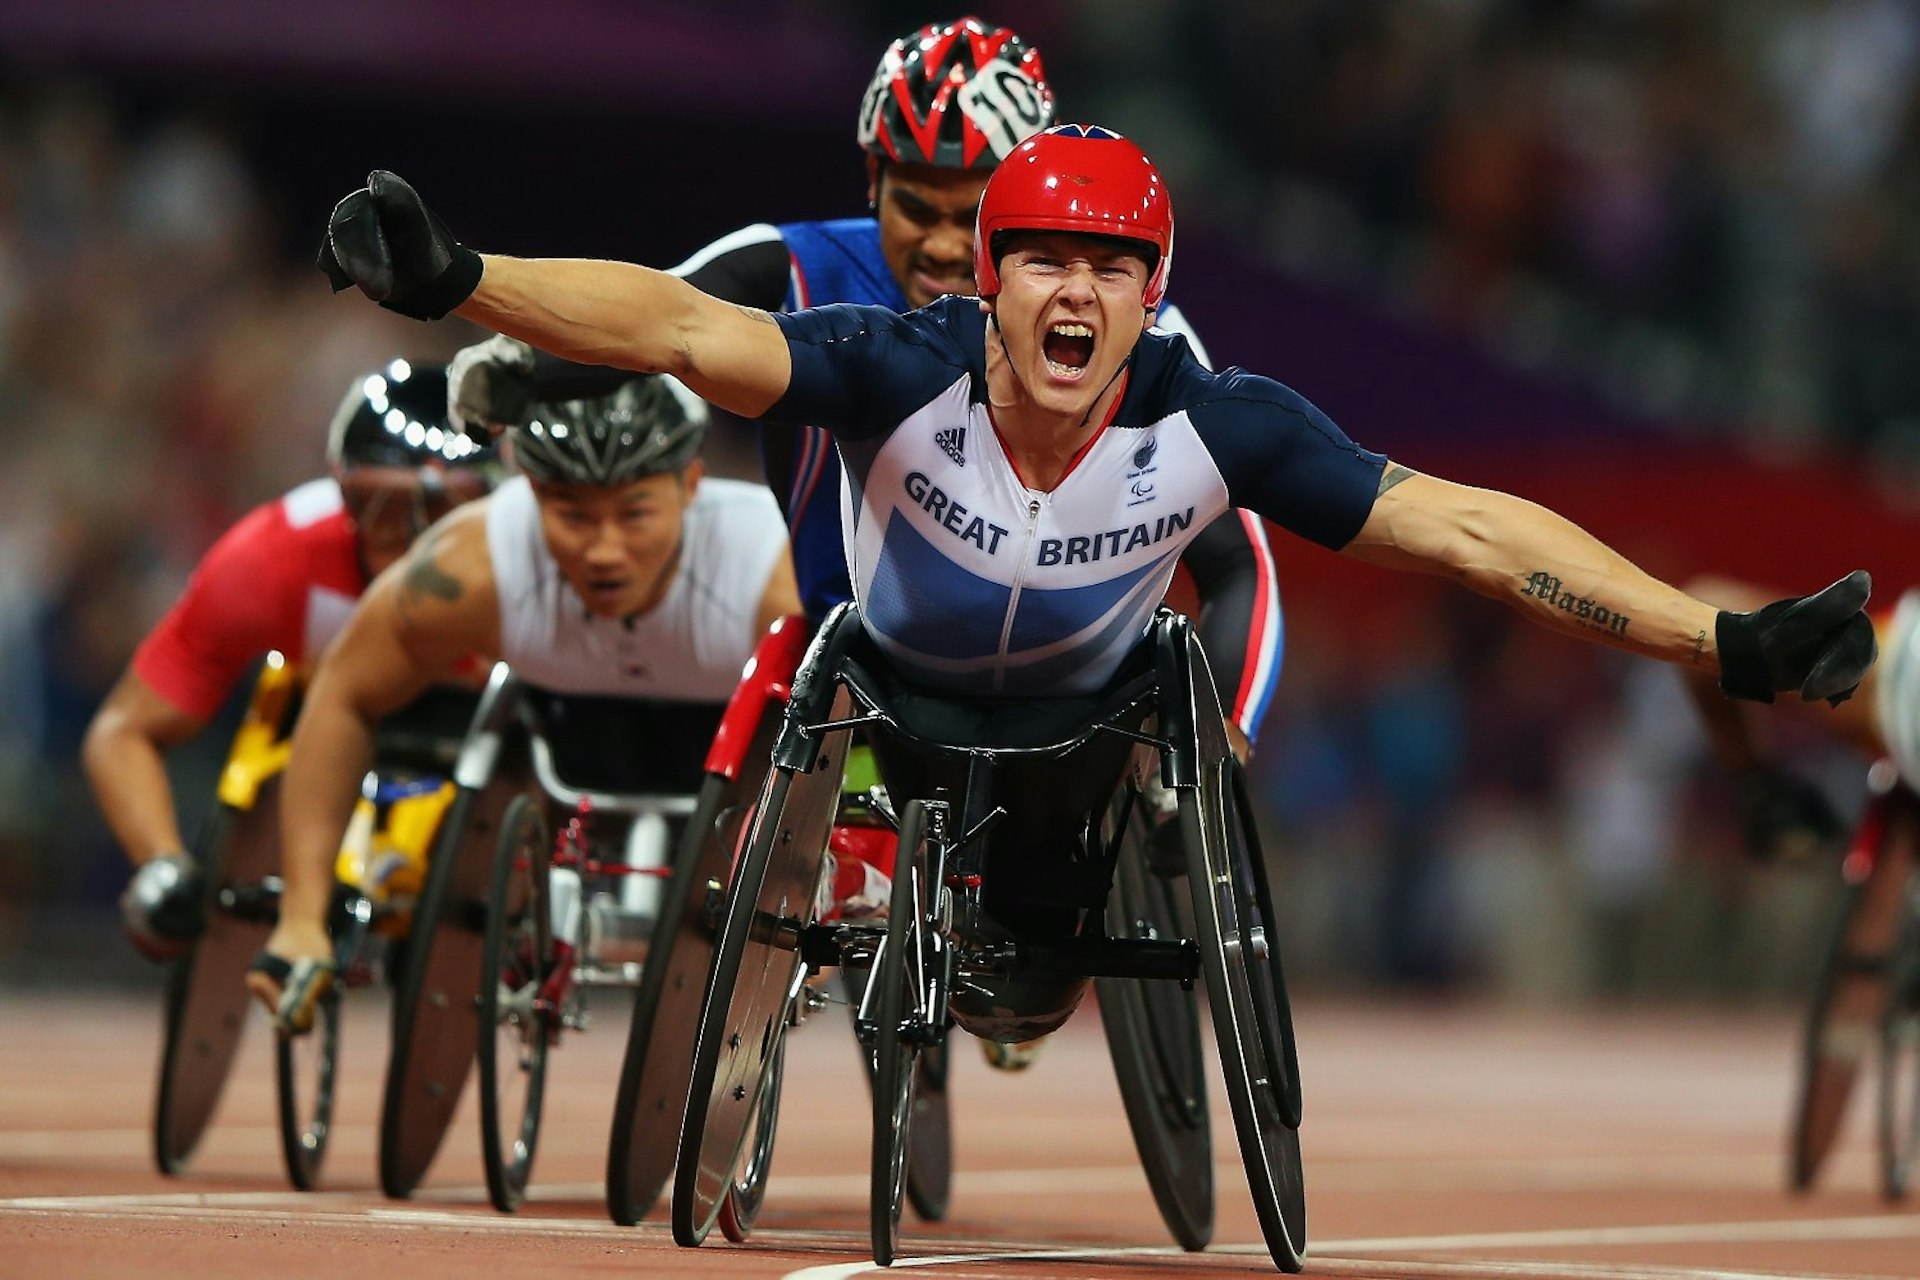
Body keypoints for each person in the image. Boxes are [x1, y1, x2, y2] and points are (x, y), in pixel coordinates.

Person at [310, 126, 1876, 1027]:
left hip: (1079, 734)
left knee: (1043, 973)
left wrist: (1717, 640)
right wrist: (464, 281)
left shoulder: (1219, 425)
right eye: (1043, 258)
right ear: (988, 280)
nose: (1077, 288)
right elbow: (672, 328)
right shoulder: (889, 366)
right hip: (890, 699)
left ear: (1152, 298)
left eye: (1112, 266)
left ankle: (1027, 961)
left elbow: (1471, 530)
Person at [450, 16, 1281, 762]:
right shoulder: (800, 267)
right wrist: (524, 371)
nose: (948, 246)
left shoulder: (1135, 324)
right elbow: (661, 321)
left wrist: (1220, 743)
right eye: (917, 207)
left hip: (1070, 701)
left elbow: (1239, 562)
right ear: (872, 180)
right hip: (850, 666)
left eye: (981, 215)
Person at [246, 374, 800, 1029]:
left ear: (690, 486)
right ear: (531, 494)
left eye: (634, 514)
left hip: (746, 741)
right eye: (572, 516)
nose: (604, 551)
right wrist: (303, 919)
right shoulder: (470, 566)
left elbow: (864, 721)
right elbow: (343, 694)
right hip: (567, 729)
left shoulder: (774, 566)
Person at [84, 361, 495, 961]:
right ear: (342, 493)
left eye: (438, 512)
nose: (408, 541)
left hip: (474, 719)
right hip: (320, 708)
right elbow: (123, 731)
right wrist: (164, 865)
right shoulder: (271, 560)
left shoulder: (531, 558)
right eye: (381, 507)